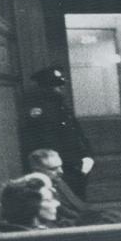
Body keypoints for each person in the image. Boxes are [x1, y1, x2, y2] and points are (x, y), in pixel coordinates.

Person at [22, 65, 95, 199]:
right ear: (45, 87)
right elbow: (46, 143)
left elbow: (76, 133)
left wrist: (87, 156)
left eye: (61, 85)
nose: (61, 88)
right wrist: (70, 164)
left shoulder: (62, 107)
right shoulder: (39, 111)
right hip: (60, 169)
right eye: (55, 85)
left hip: (75, 167)